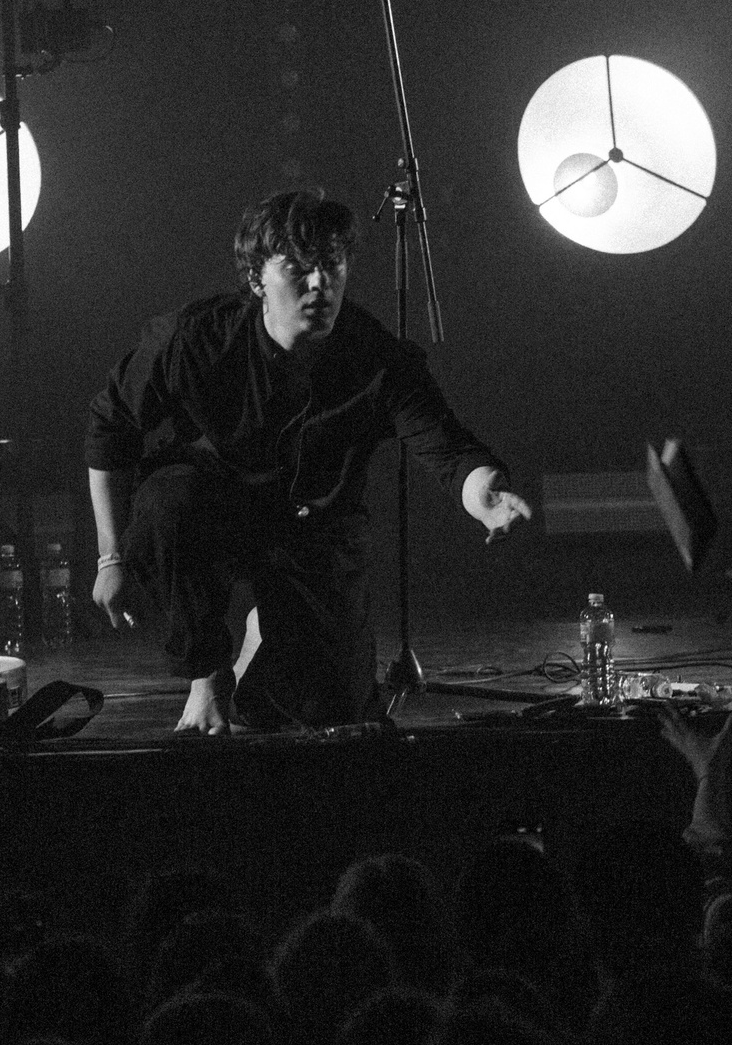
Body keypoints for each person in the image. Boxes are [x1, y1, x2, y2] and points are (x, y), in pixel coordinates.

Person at [86, 189, 532, 733]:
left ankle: (268, 634)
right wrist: (112, 561)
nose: (320, 284)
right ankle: (207, 674)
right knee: (167, 500)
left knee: (329, 714)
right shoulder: (198, 338)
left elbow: (447, 448)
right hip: (215, 511)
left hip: (316, 527)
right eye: (299, 268)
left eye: (332, 266)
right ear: (256, 280)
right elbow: (110, 430)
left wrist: (484, 495)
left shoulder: (375, 356)